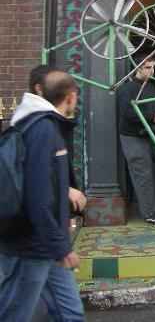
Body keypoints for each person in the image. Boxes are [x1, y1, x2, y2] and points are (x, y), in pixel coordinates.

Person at [0, 70, 85, 322]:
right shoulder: (43, 130)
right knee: (16, 313)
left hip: (47, 243)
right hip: (33, 245)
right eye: (76, 99)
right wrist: (60, 247)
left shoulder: (37, 124)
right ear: (70, 97)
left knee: (70, 313)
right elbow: (38, 196)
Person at [117, 55, 155, 228]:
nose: (151, 71)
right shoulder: (127, 89)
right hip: (134, 137)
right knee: (143, 175)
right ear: (137, 68)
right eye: (147, 67)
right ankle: (150, 214)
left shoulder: (151, 86)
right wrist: (152, 117)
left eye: (152, 67)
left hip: (152, 136)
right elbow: (127, 113)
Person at [28, 65, 87, 216]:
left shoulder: (53, 118)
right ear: (40, 88)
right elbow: (37, 170)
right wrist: (65, 189)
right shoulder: (40, 124)